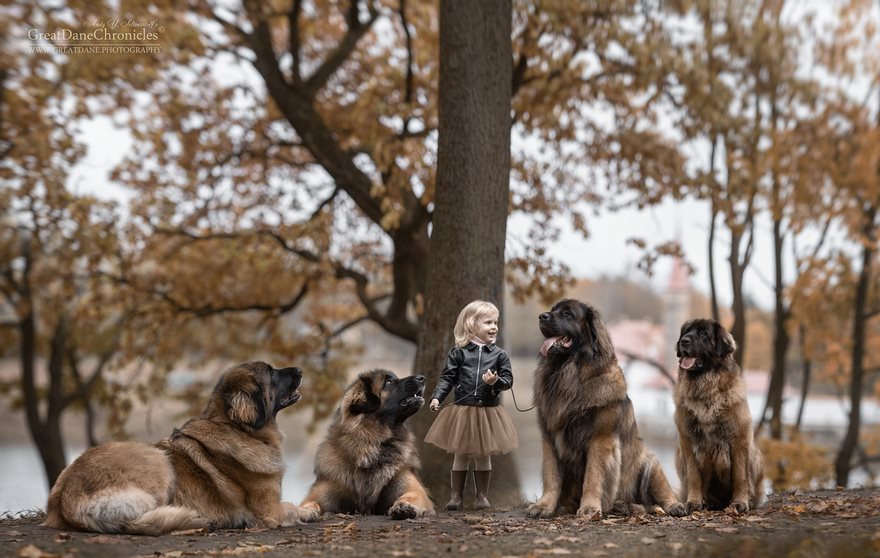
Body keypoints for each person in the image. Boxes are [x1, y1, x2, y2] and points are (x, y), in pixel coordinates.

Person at [425, 300, 519, 510]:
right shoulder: (458, 353)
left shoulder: (499, 355)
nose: (494, 327)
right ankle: (456, 497)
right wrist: (437, 397)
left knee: (483, 455)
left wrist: (495, 382)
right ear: (471, 324)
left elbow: (508, 380)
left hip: (487, 411)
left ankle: (482, 497)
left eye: (495, 322)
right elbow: (447, 378)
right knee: (461, 454)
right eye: (488, 322)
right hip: (463, 410)